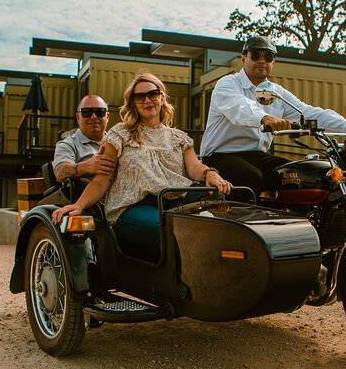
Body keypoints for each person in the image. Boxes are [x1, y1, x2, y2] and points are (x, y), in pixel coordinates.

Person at [52, 73, 232, 254]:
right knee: (166, 227)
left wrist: (210, 173)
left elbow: (194, 168)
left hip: (174, 199)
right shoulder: (120, 134)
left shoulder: (178, 137)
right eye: (139, 97)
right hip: (134, 206)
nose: (147, 100)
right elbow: (102, 179)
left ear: (161, 97)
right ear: (133, 103)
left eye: (152, 94)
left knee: (215, 195)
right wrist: (79, 205)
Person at [200, 35, 346, 195]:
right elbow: (240, 106)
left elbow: (307, 112)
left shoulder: (276, 93)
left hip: (257, 156)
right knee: (250, 177)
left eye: (268, 57)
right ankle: (239, 217)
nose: (262, 61)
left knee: (298, 174)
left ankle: (299, 217)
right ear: (244, 58)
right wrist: (264, 118)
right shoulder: (227, 84)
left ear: (273, 62)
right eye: (255, 55)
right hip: (219, 155)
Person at [52, 95, 117, 183]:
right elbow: (60, 172)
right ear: (78, 118)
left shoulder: (118, 142)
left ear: (107, 117)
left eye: (99, 112)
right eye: (87, 112)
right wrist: (87, 166)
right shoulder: (68, 145)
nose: (93, 116)